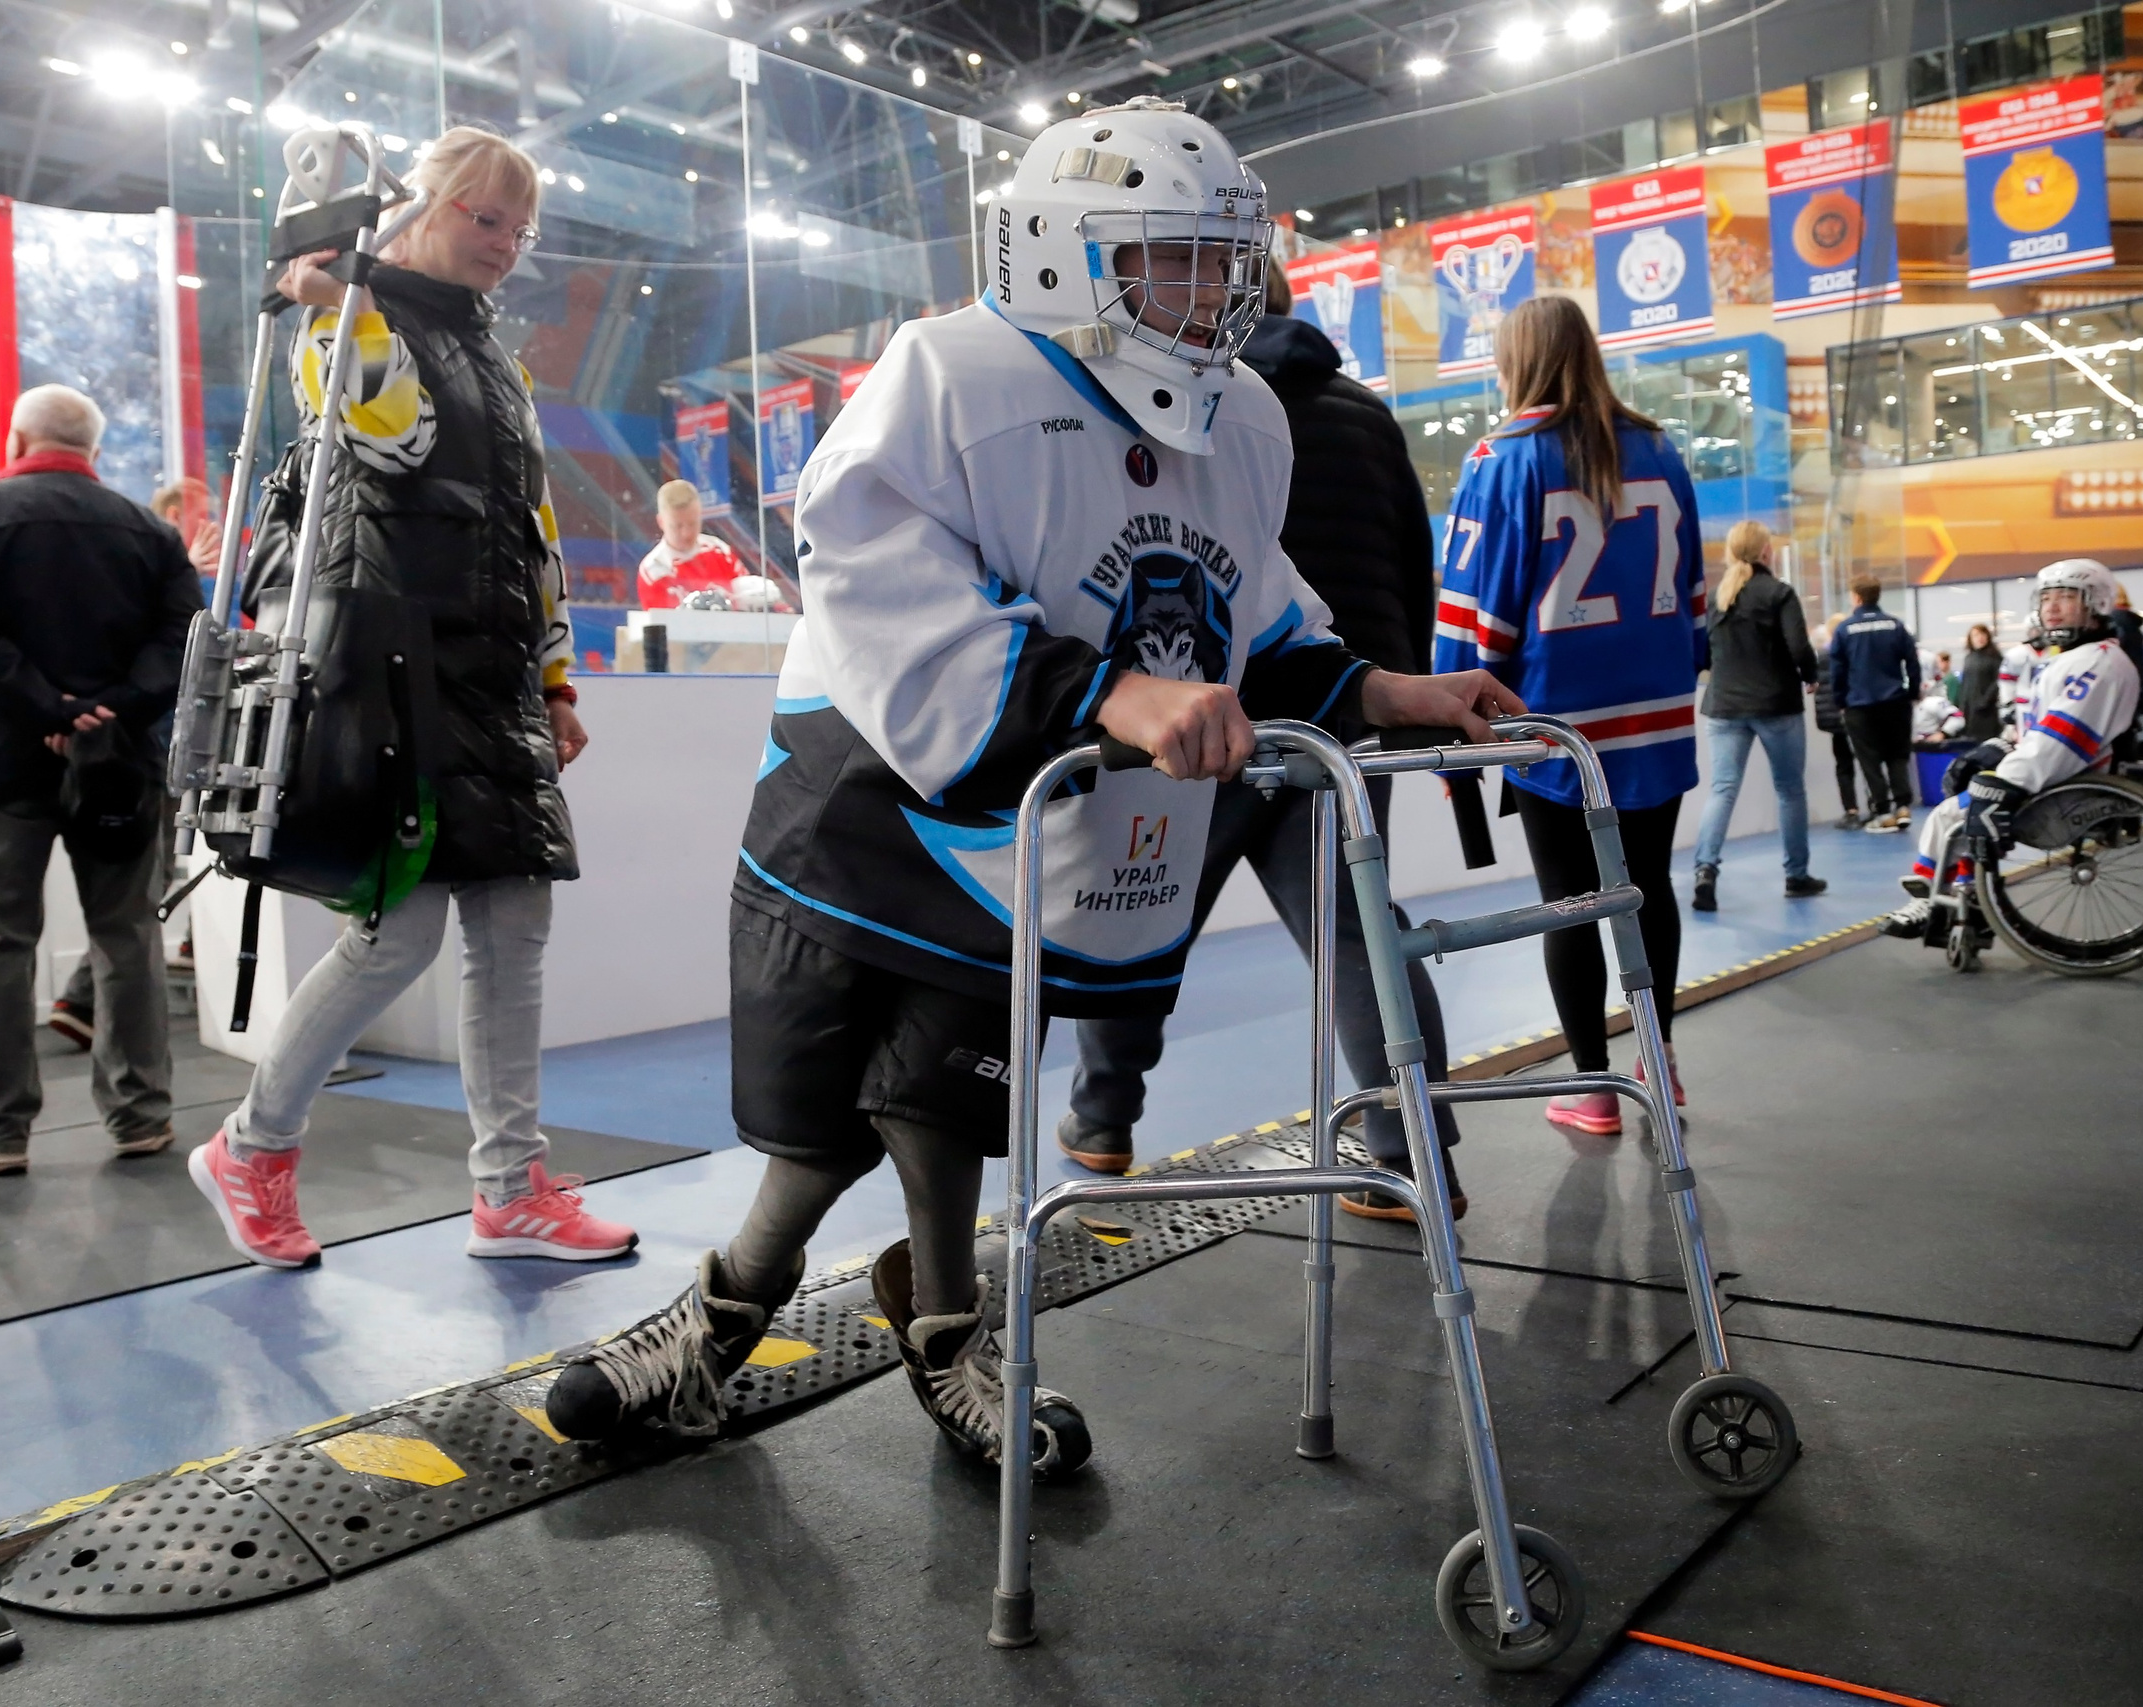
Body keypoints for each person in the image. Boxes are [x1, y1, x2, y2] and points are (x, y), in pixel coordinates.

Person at [538, 98, 1524, 1469]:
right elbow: (874, 566)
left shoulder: (1244, 417)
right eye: (1173, 257)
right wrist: (1108, 693)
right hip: (862, 808)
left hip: (1030, 829)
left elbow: (1262, 615)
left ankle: (939, 1327)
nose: (1213, 291)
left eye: (1222, 259)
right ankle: (731, 1308)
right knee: (815, 1119)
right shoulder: (951, 373)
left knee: (953, 1088)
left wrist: (1391, 690)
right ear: (1067, 252)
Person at [185, 126, 633, 1264]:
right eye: (484, 217)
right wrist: (346, 305)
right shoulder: (346, 323)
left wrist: (554, 678)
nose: (504, 244)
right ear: (422, 206)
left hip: (487, 678)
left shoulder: (495, 355)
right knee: (397, 937)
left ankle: (511, 1188)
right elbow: (391, 437)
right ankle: (253, 1148)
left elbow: (530, 532)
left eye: (518, 229)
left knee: (512, 924)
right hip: (395, 673)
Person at [1055, 260, 1454, 1221]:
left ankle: (1102, 1124)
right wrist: (1395, 683)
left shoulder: (1184, 407)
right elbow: (1411, 561)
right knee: (1359, 929)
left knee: (1144, 913)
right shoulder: (1364, 412)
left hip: (1207, 703)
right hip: (1344, 705)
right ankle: (1414, 1150)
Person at [1437, 295, 1701, 1138]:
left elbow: (1478, 614)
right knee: (1648, 886)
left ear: (1517, 359)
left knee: (1571, 902)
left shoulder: (1502, 456)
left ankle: (1593, 1086)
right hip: (1656, 714)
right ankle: (1658, 1065)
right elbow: (1693, 595)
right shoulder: (1659, 446)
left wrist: (1456, 705)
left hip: (1556, 724)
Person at [0, 386, 199, 1174]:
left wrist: (46, 707)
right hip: (121, 765)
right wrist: (104, 711)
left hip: (1, 759)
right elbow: (182, 638)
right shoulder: (149, 529)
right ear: (96, 453)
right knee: (128, 938)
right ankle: (141, 1116)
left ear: (15, 438)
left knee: (0, 943)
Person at [1883, 560, 2143, 939]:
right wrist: (2000, 748)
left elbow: (2059, 744)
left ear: (2097, 604)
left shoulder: (2097, 663)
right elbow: (2039, 734)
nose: (2052, 607)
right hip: (2056, 778)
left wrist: (2004, 777)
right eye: (2047, 598)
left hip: (2065, 792)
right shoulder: (2073, 657)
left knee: (1952, 814)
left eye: (2066, 597)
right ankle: (1964, 895)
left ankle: (1941, 899)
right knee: (1963, 797)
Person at [49, 479, 214, 1053]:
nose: (214, 520)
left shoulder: (157, 567)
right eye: (203, 511)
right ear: (173, 513)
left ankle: (85, 998)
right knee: (143, 887)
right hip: (153, 748)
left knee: (148, 882)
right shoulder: (156, 567)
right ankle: (84, 999)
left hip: (158, 744)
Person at [1689, 518, 1823, 912]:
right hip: (1775, 705)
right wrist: (1811, 676)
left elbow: (1703, 656)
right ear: (1767, 552)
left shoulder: (1716, 597)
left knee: (1723, 789)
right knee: (1789, 789)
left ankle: (1705, 871)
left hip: (1724, 706)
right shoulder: (1779, 593)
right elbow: (1799, 647)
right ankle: (1796, 876)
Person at [1829, 579, 1921, 831]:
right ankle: (1902, 807)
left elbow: (1836, 670)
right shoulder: (1895, 625)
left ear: (1857, 597)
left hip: (1859, 705)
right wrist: (1912, 693)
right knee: (1897, 756)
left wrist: (1840, 700)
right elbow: (1912, 662)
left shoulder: (1844, 629)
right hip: (1895, 702)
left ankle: (1881, 811)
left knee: (1869, 760)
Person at [636, 479, 786, 611]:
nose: (686, 533)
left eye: (692, 523)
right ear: (661, 522)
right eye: (677, 526)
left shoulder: (720, 551)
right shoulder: (654, 571)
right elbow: (664, 630)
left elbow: (751, 593)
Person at [1810, 621, 1860, 827]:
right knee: (1868, 762)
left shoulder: (1822, 656)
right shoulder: (1855, 653)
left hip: (1834, 719)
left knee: (1843, 764)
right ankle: (1877, 806)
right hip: (1857, 715)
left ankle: (1851, 811)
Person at [1954, 623, 2001, 738]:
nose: (1979, 638)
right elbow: (1965, 683)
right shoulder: (1969, 658)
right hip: (1969, 710)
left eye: (1982, 634)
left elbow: (1998, 681)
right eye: (1975, 635)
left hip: (1987, 710)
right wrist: (1961, 706)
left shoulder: (1995, 657)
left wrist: (1985, 701)